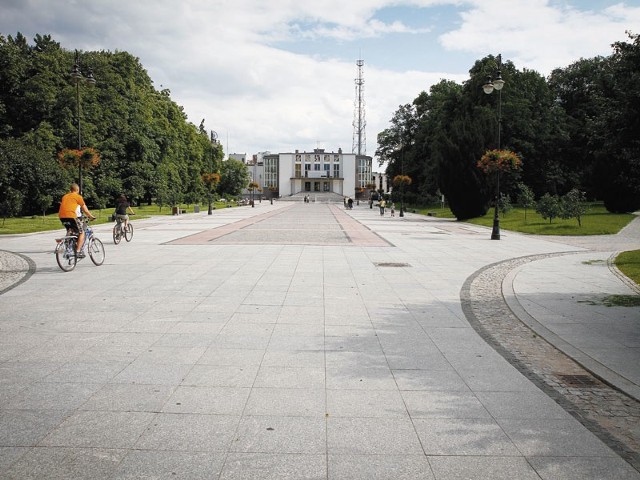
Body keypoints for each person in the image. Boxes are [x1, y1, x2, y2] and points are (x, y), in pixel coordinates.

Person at [58, 183, 95, 257]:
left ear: (70, 190)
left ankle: (68, 247)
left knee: (70, 230)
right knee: (82, 232)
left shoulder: (64, 196)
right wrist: (91, 216)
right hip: (71, 216)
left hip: (62, 217)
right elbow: (85, 209)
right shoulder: (78, 197)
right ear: (77, 190)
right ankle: (78, 251)